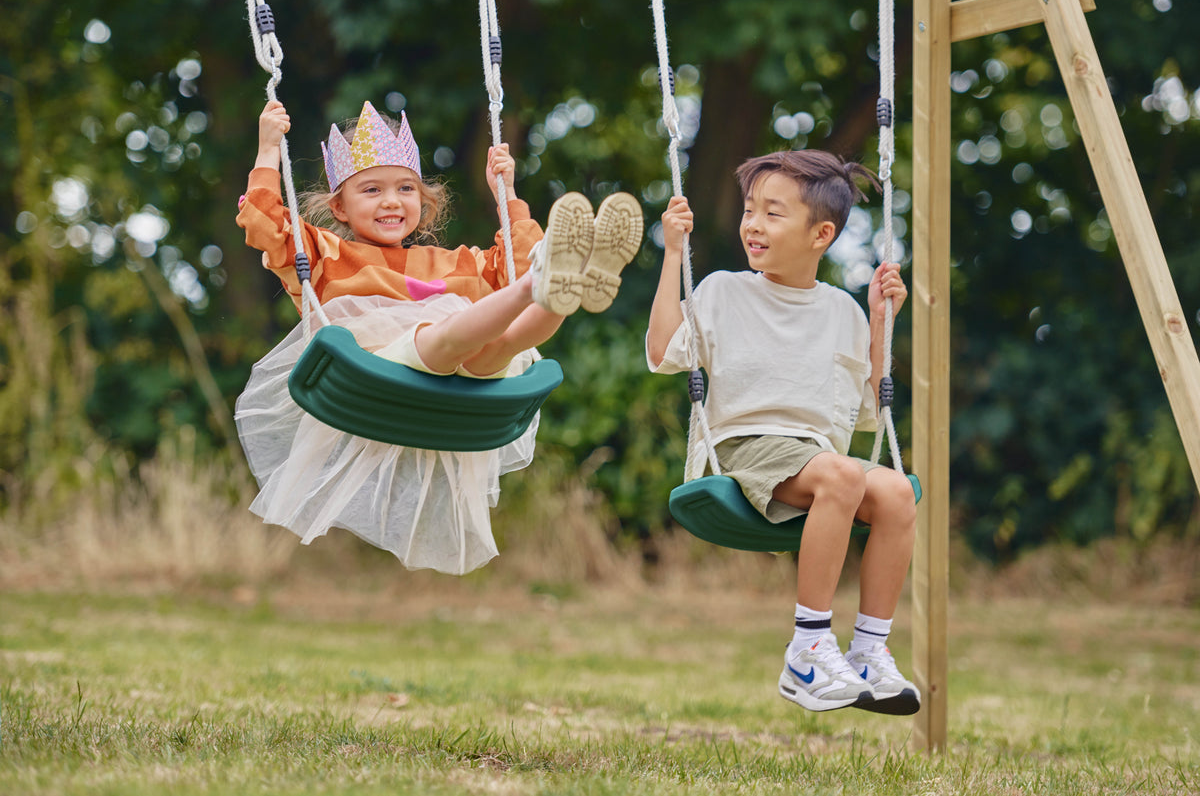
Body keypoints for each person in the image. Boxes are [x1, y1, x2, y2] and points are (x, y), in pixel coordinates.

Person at [235, 99, 642, 575]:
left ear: (424, 204)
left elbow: (520, 256)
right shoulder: (325, 254)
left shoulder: (454, 264)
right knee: (445, 333)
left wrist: (507, 193)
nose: (392, 200)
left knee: (505, 343)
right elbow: (264, 224)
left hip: (461, 371)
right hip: (379, 366)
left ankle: (561, 293)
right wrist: (267, 151)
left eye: (406, 188)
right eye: (372, 189)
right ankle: (544, 286)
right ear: (339, 207)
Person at [646, 150, 919, 715]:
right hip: (743, 448)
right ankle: (809, 649)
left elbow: (868, 408)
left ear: (821, 234)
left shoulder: (842, 310)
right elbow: (660, 351)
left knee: (895, 491)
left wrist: (879, 320)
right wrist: (674, 254)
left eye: (773, 213)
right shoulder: (724, 290)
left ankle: (868, 650)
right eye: (750, 210)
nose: (753, 224)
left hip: (817, 459)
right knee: (842, 474)